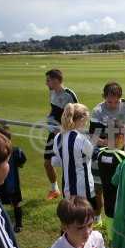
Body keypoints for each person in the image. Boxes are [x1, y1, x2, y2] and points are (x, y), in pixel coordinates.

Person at [90, 81, 125, 225]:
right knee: (99, 185)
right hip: (103, 153)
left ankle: (122, 217)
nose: (113, 105)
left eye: (116, 101)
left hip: (124, 153)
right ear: (103, 97)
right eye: (109, 101)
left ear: (121, 97)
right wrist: (109, 143)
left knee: (122, 185)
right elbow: (93, 136)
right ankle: (97, 217)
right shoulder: (98, 111)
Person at [44, 69, 78, 200]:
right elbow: (54, 110)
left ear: (56, 80)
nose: (46, 83)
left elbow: (78, 115)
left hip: (65, 135)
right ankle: (54, 189)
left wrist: (64, 129)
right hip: (52, 134)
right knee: (47, 163)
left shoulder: (69, 94)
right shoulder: (52, 92)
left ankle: (69, 195)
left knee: (67, 165)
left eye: (48, 80)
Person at [53, 103, 96, 204]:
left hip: (67, 186)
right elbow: (94, 155)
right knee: (85, 217)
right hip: (84, 187)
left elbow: (56, 162)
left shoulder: (58, 137)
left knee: (70, 216)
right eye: (86, 120)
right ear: (81, 119)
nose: (86, 123)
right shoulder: (81, 139)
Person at [0, 125, 27, 233]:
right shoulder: (15, 150)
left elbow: (22, 159)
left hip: (2, 184)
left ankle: (11, 224)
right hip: (11, 184)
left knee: (1, 203)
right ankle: (18, 225)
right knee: (15, 203)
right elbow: (23, 159)